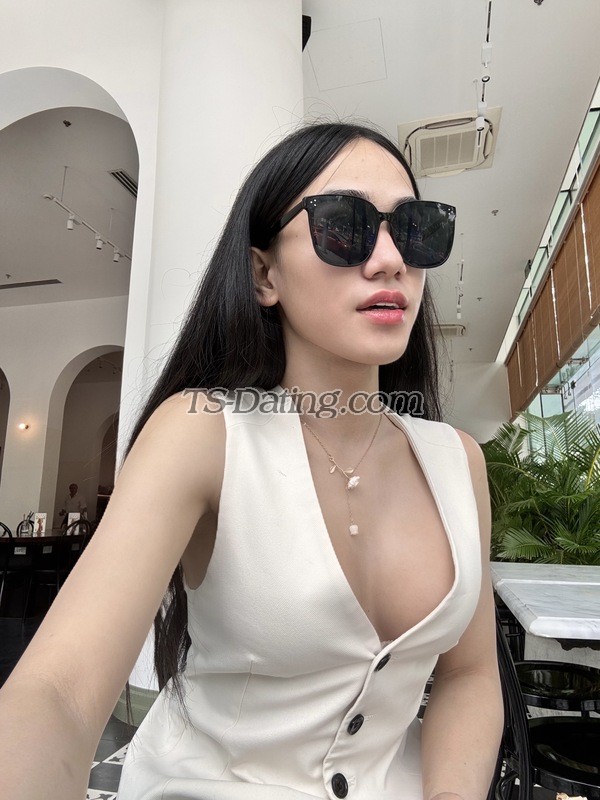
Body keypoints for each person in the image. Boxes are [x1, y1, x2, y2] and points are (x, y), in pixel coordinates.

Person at [0, 122, 503, 800]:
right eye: (344, 225)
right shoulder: (204, 435)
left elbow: (469, 675)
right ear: (265, 274)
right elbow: (57, 692)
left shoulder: (457, 462)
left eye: (414, 230)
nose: (390, 261)